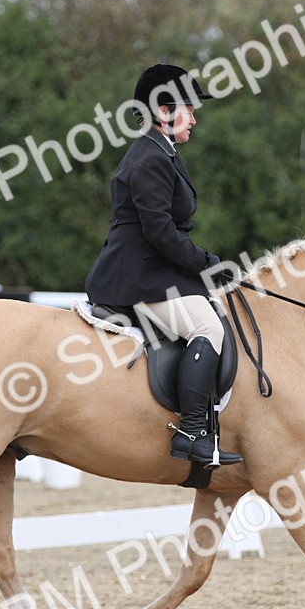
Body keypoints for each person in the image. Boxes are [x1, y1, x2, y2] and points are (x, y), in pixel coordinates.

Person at [84, 64, 242, 468]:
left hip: (150, 270)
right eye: (189, 108)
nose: (195, 116)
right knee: (207, 327)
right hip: (138, 277)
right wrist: (206, 263)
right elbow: (160, 231)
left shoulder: (159, 151)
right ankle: (193, 431)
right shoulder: (151, 158)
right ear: (165, 111)